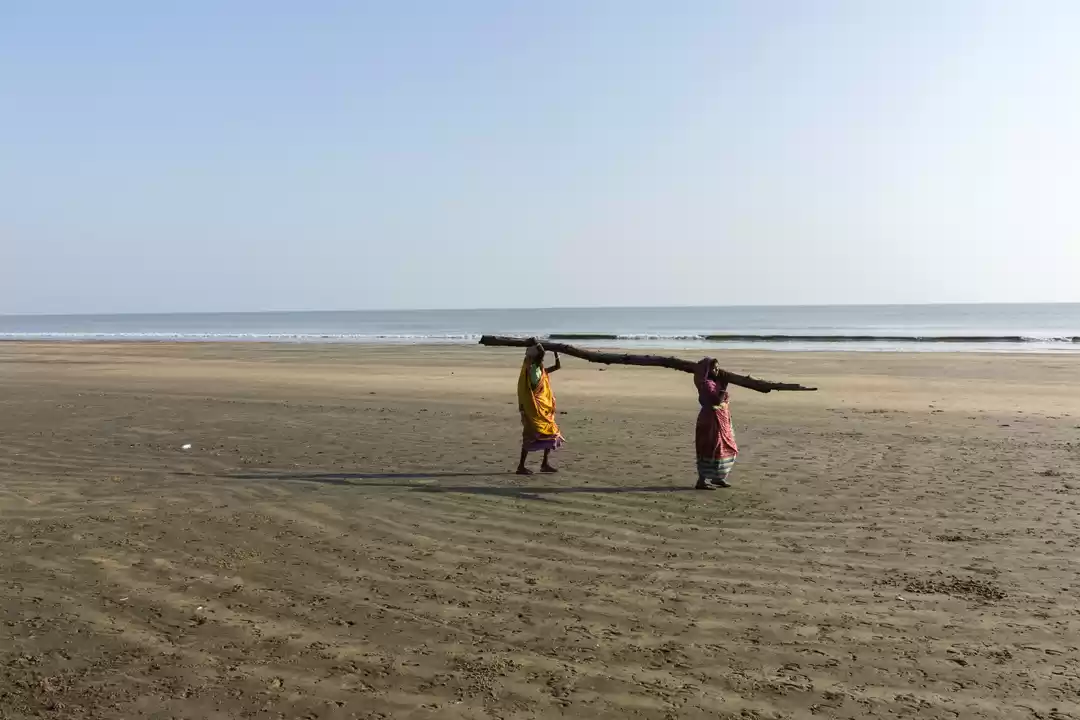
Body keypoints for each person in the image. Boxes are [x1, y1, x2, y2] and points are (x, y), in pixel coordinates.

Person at [517, 343, 563, 475]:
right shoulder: (531, 370)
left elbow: (557, 366)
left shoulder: (540, 369)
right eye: (541, 357)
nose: (542, 359)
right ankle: (521, 466)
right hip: (533, 408)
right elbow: (529, 389)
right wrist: (539, 348)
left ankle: (544, 464)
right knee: (530, 435)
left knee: (551, 432)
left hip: (543, 408)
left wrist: (556, 352)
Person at [694, 357, 738, 490]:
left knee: (726, 447)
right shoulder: (706, 384)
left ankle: (718, 477)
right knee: (710, 448)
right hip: (711, 420)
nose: (716, 370)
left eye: (717, 367)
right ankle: (701, 481)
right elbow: (716, 401)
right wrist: (724, 386)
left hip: (722, 419)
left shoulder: (715, 381)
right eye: (713, 368)